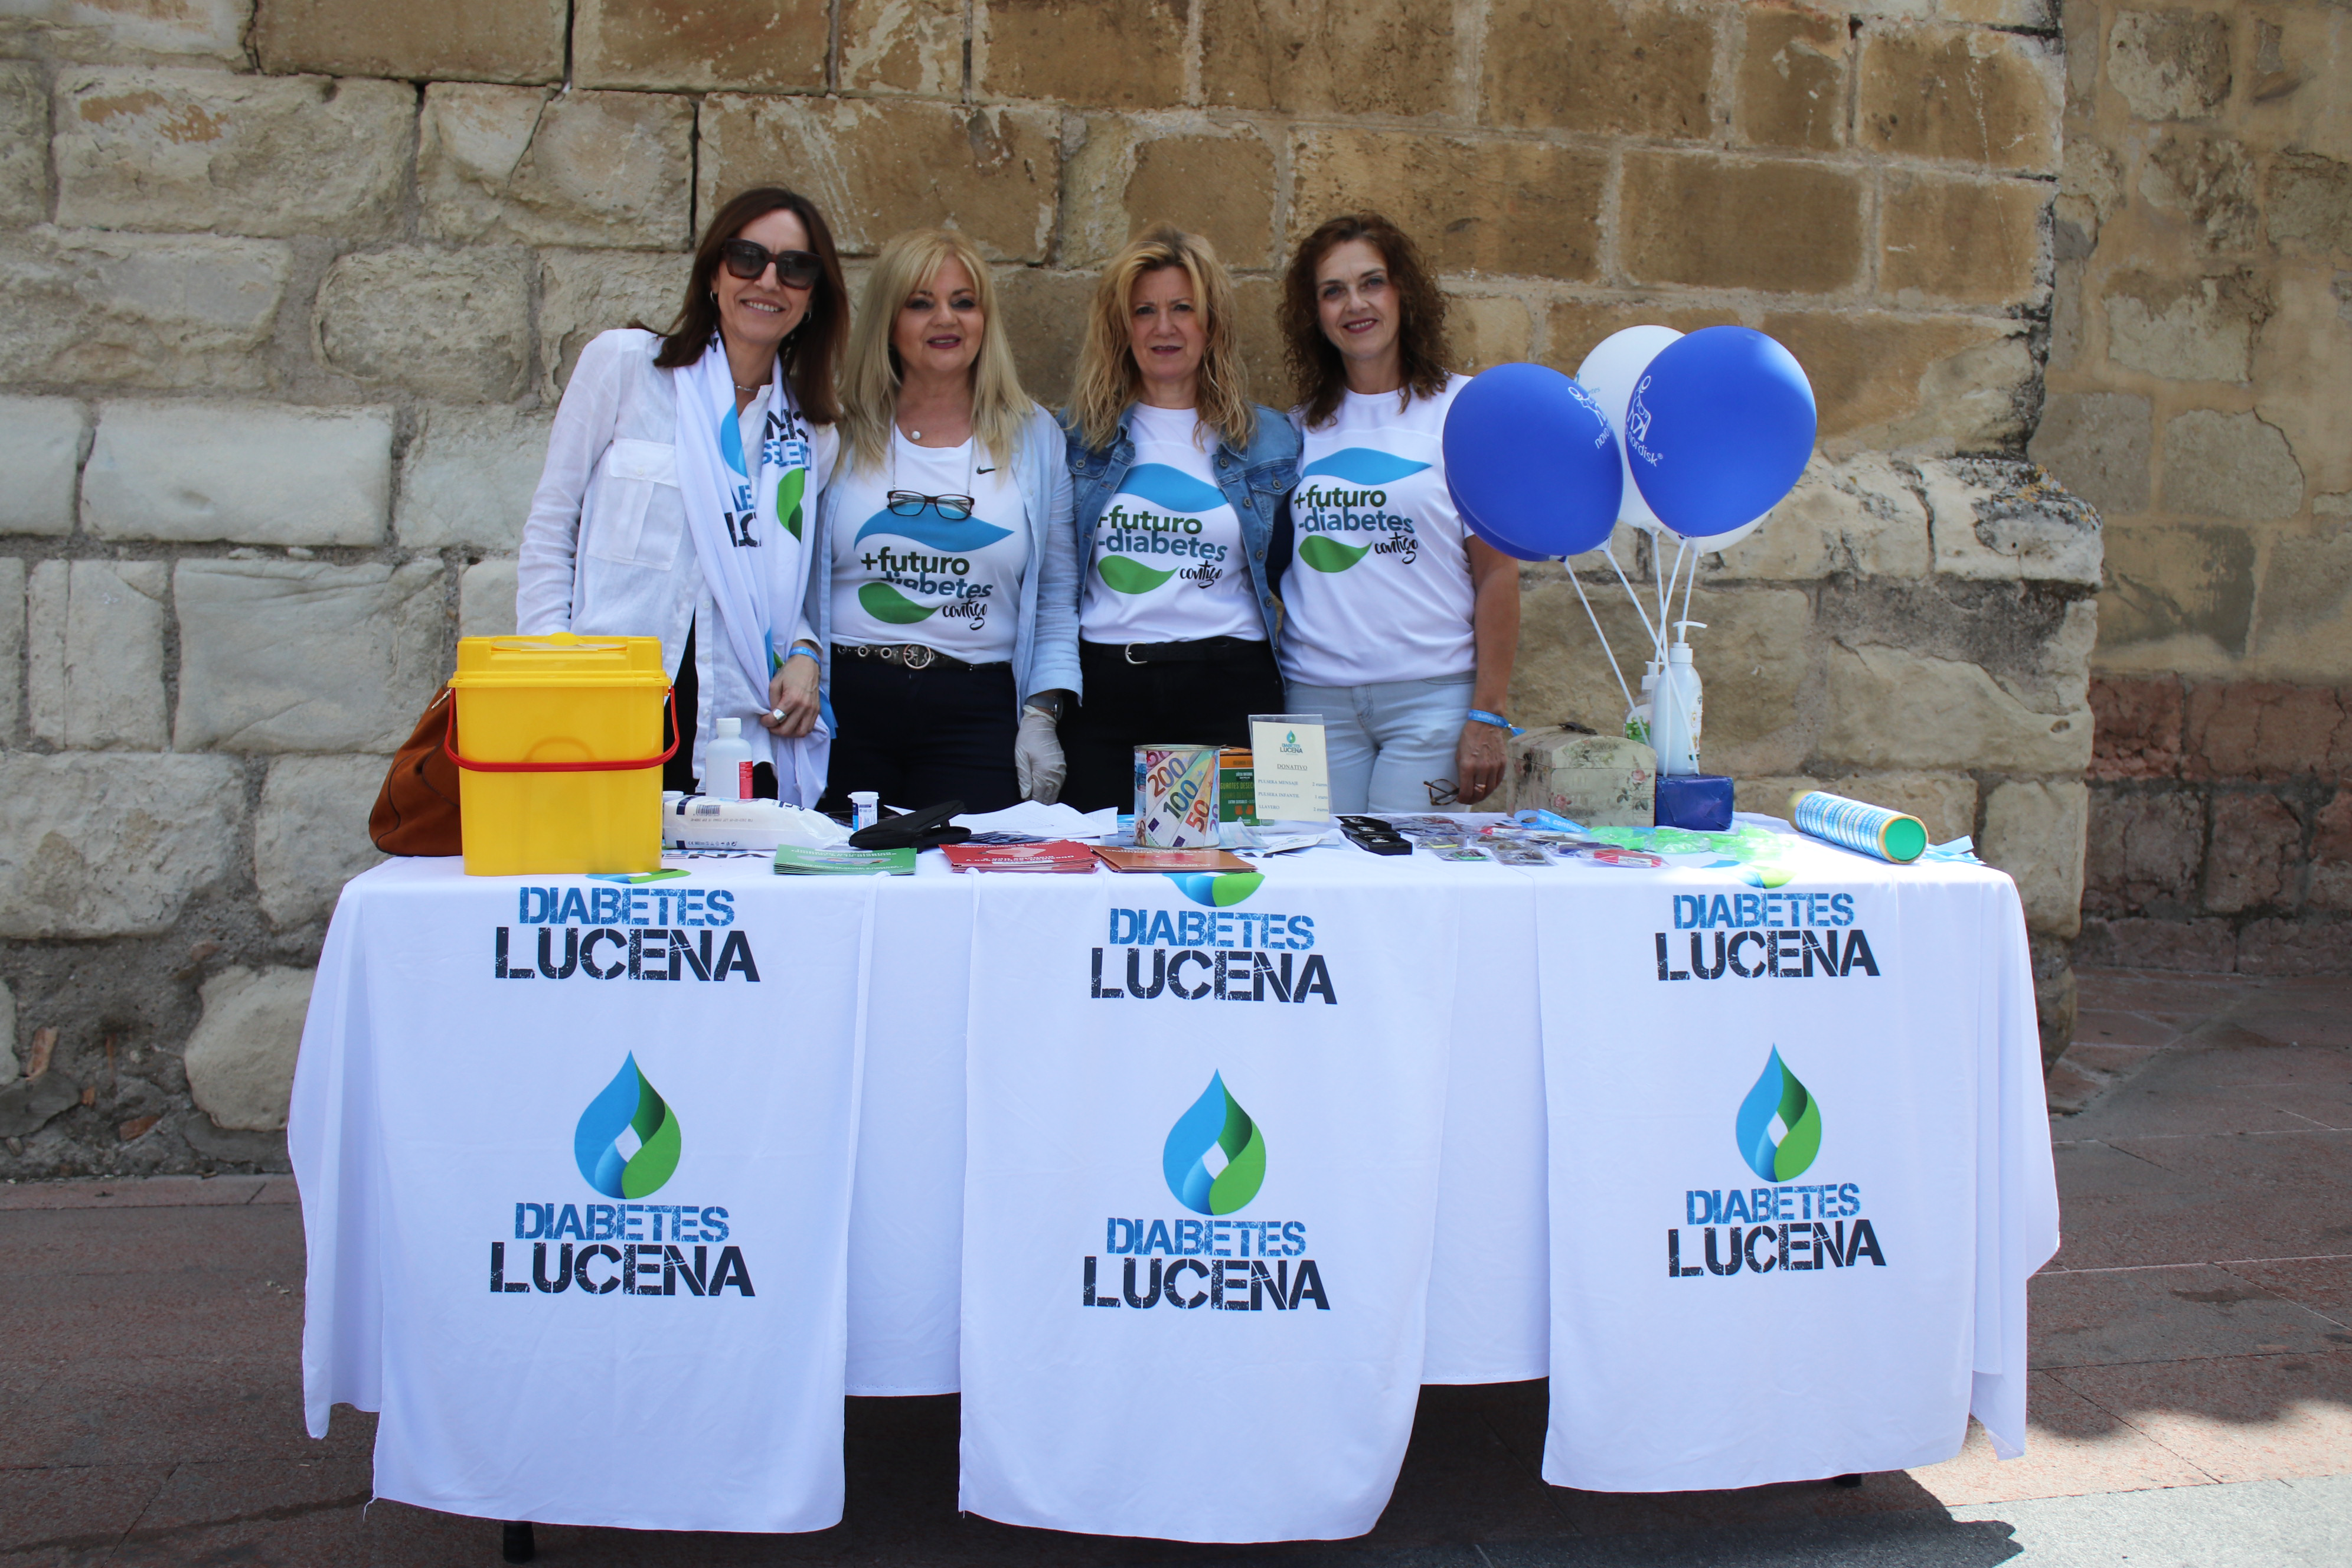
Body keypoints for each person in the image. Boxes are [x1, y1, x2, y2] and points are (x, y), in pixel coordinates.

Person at [517, 185, 847, 805]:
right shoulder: (625, 368)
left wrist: (806, 655)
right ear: (715, 275)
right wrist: (549, 674)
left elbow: (781, 592)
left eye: (795, 268)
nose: (769, 281)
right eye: (748, 258)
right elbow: (550, 528)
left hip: (740, 730)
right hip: (603, 715)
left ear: (813, 298)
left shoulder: (811, 437)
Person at [807, 228, 1078, 812]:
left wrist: (1041, 713)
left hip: (976, 708)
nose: (945, 319)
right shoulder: (836, 426)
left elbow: (1056, 596)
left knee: (971, 890)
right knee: (840, 885)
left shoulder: (1035, 438)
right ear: (888, 317)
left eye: (963, 301)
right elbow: (790, 577)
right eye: (921, 302)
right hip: (847, 706)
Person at [1273, 212, 1521, 813]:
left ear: (1403, 291)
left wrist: (1488, 714)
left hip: (1431, 706)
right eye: (1333, 291)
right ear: (1316, 313)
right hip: (1310, 706)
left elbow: (1498, 574)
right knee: (1309, 878)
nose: (1355, 304)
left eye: (1371, 282)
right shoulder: (1293, 432)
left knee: (1411, 886)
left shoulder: (1462, 412)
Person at [1057, 226, 1302, 812]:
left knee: (1234, 876)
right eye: (1144, 311)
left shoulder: (1268, 438)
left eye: (1181, 308)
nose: (1163, 327)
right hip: (1107, 691)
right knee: (1100, 878)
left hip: (1228, 687)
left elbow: (1289, 574)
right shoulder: (1075, 439)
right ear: (1122, 327)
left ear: (1210, 322)